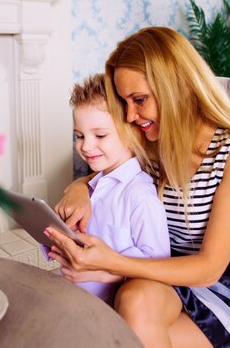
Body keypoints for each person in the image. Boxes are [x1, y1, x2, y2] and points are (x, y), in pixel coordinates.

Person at [45, 27, 230, 348]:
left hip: (228, 284)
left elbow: (208, 269)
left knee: (114, 340)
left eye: (140, 100)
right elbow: (116, 170)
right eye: (124, 103)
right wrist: (80, 187)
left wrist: (111, 263)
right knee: (130, 304)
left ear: (177, 87)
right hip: (164, 273)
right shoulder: (154, 141)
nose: (130, 116)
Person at [56, 72, 170, 305]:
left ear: (132, 133)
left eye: (100, 135)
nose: (86, 146)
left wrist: (105, 272)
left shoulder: (139, 196)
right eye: (79, 136)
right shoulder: (90, 188)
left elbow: (158, 265)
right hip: (70, 296)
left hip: (108, 309)